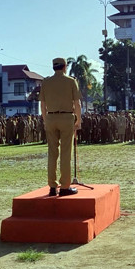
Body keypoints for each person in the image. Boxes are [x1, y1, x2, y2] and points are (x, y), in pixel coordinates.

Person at [39, 57, 82, 196]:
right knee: (65, 153)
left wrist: (46, 120)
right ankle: (64, 187)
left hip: (51, 117)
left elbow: (42, 105)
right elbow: (77, 103)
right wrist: (78, 120)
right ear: (65, 67)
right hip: (66, 117)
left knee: (52, 153)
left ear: (53, 67)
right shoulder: (71, 81)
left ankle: (52, 186)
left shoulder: (46, 82)